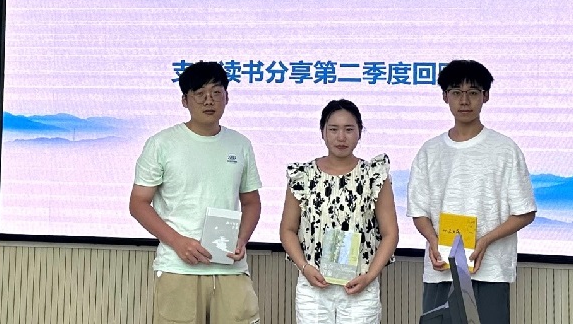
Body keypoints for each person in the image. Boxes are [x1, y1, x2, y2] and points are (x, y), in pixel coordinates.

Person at [129, 60, 262, 324]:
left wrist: (242, 239)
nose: (209, 100)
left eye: (216, 92)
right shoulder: (161, 144)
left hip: (230, 267)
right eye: (199, 93)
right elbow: (138, 203)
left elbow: (251, 202)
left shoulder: (240, 144)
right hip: (179, 267)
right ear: (185, 100)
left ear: (227, 97)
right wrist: (177, 241)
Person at [407, 59, 536, 324]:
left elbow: (525, 212)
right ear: (445, 96)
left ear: (485, 96)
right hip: (441, 269)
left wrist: (485, 241)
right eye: (456, 92)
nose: (464, 101)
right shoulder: (429, 151)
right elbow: (418, 210)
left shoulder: (504, 149)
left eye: (473, 92)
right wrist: (433, 240)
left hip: (490, 271)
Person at [279, 99, 399, 324]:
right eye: (333, 129)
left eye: (349, 129)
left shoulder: (374, 175)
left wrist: (369, 276)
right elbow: (287, 229)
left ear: (360, 132)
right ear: (322, 132)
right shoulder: (302, 176)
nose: (341, 137)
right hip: (313, 287)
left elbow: (390, 233)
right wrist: (304, 267)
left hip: (360, 287)